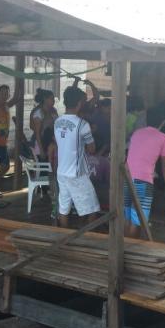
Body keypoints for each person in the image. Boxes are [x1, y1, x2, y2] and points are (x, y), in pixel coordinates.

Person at [125, 108, 165, 238]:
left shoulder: (137, 133)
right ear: (163, 122)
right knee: (137, 221)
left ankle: (123, 249)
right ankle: (129, 252)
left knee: (127, 218)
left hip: (127, 178)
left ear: (146, 120)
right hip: (143, 182)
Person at [54, 86, 100, 228]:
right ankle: (89, 237)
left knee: (64, 207)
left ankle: (62, 236)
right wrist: (91, 133)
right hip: (76, 172)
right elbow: (92, 149)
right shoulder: (82, 124)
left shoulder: (57, 121)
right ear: (80, 103)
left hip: (61, 171)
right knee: (92, 207)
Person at [0, 84, 22, 198]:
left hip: (2, 141)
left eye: (6, 93)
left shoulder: (6, 105)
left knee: (5, 166)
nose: (4, 95)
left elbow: (16, 98)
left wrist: (19, 80)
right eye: (2, 93)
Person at [29, 88, 57, 160]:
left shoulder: (53, 111)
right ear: (45, 99)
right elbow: (37, 133)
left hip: (51, 140)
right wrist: (41, 150)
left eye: (53, 98)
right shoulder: (39, 113)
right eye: (51, 98)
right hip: (40, 142)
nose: (53, 101)